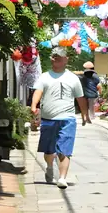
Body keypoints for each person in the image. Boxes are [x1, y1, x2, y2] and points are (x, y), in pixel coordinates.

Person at [31, 49, 88, 190]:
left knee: (65, 149)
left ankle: (62, 178)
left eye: (59, 58)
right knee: (49, 151)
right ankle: (50, 166)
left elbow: (80, 98)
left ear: (66, 59)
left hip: (67, 118)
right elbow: (38, 91)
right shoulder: (44, 77)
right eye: (54, 57)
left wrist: (84, 114)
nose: (55, 60)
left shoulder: (73, 78)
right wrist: (33, 106)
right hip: (48, 118)